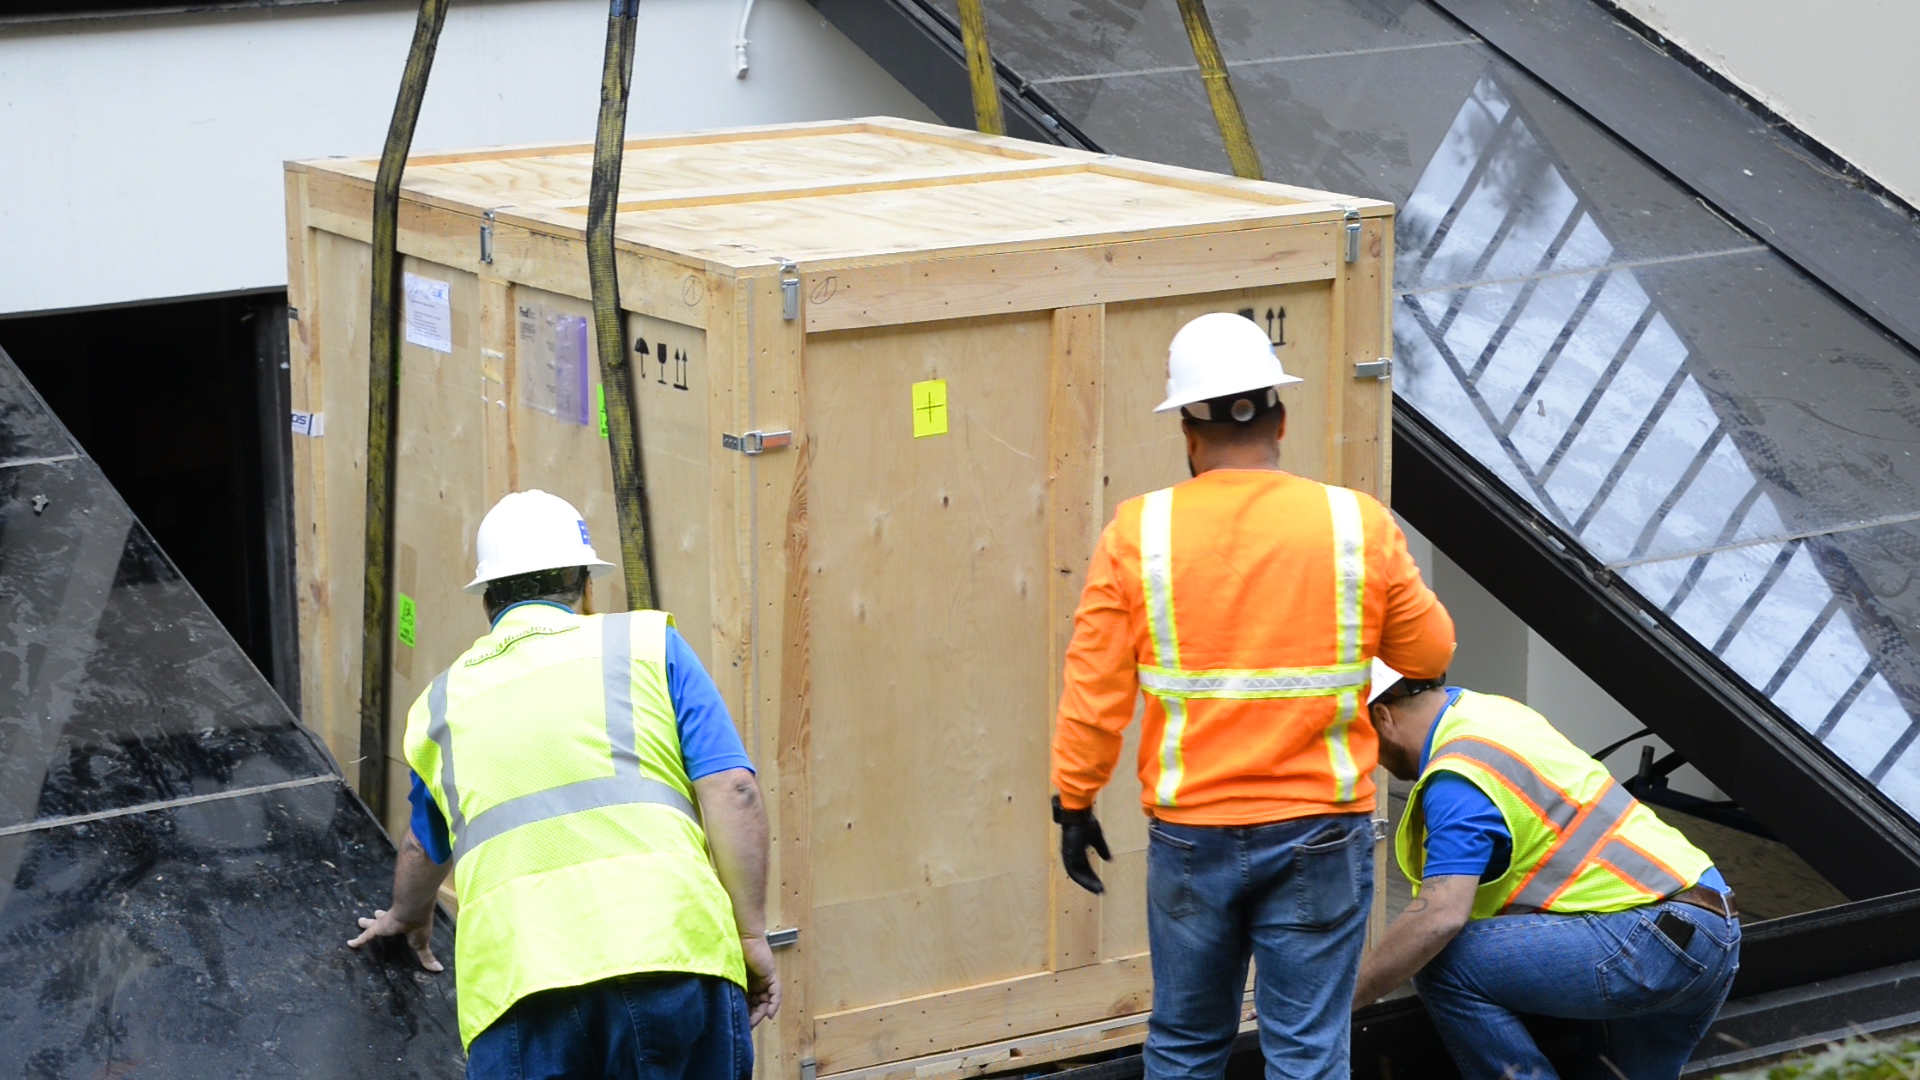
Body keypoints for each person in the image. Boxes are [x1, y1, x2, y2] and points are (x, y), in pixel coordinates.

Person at [1050, 312, 1456, 1079]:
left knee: (1185, 1043)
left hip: (1190, 833)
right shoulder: (1353, 523)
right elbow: (1429, 650)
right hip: (1319, 830)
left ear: (1187, 433)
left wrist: (1074, 799)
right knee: (1306, 1049)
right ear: (1280, 415)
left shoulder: (1140, 531)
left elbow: (1094, 685)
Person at [349, 489, 780, 1080]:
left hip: (522, 987)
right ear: (585, 584)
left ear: (488, 600)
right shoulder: (650, 646)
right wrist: (751, 933)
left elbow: (425, 845)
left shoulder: (442, 704)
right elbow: (735, 790)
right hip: (675, 957)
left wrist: (407, 912)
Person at [1353, 661, 1741, 1080]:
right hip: (1712, 929)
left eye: (1357, 741)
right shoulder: (1492, 714)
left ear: (1382, 715)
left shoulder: (1458, 774)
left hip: (1642, 940)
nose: (1365, 758)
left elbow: (1439, 916)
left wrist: (1337, 1002)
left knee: (1441, 960)